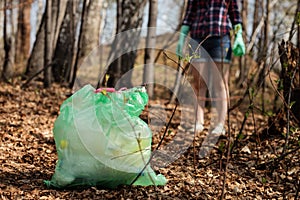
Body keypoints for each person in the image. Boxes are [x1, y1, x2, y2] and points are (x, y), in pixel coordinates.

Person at [176, 0, 245, 134]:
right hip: (197, 38)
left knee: (220, 84)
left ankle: (220, 124)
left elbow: (235, 15)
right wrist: (182, 37)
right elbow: (189, 15)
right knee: (198, 83)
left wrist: (239, 34)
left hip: (220, 39)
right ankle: (198, 122)